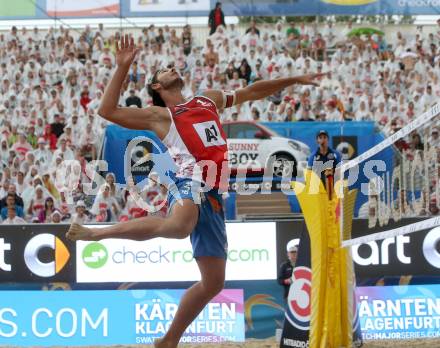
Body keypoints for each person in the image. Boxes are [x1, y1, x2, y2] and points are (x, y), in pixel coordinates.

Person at [66, 34, 322, 348]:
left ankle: (169, 340)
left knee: (214, 283)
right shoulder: (160, 115)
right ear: (157, 88)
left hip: (214, 195)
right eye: (163, 71)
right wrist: (122, 66)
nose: (171, 68)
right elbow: (107, 111)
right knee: (177, 226)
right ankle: (99, 234)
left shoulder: (207, 99)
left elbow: (253, 91)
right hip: (190, 181)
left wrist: (294, 78)